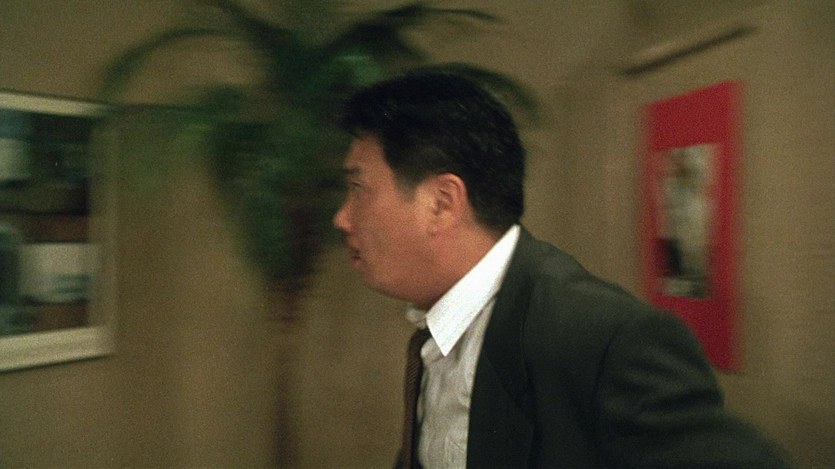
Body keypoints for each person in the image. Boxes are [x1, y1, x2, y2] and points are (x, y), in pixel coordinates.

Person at [333, 71, 791, 469]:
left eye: (358, 188)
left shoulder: (601, 340)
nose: (342, 218)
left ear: (442, 202)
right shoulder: (431, 337)